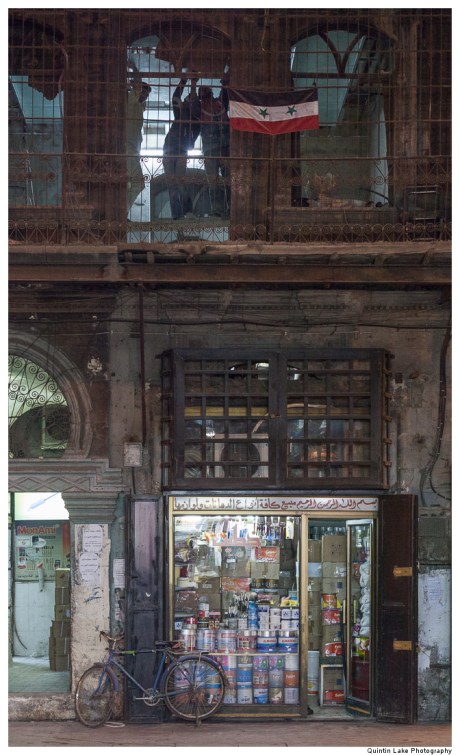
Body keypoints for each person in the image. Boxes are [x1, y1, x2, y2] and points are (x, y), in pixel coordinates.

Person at [163, 75, 200, 219]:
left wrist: (191, 83)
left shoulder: (192, 117)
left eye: (188, 99)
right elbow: (176, 96)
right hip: (170, 149)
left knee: (178, 181)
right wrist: (183, 81)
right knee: (171, 183)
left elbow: (196, 132)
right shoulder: (180, 112)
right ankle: (177, 214)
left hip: (179, 150)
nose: (185, 100)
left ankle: (187, 209)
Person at [198, 74, 230, 217]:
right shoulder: (202, 107)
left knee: (226, 180)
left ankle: (226, 209)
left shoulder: (219, 104)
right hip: (215, 148)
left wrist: (225, 83)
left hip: (221, 148)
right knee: (215, 181)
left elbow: (225, 94)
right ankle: (218, 210)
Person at [126, 80, 151, 213]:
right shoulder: (130, 101)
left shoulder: (139, 106)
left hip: (132, 150)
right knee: (138, 183)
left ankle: (121, 213)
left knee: (127, 184)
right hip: (128, 148)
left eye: (147, 95)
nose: (145, 96)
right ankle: (122, 212)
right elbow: (134, 93)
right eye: (143, 92)